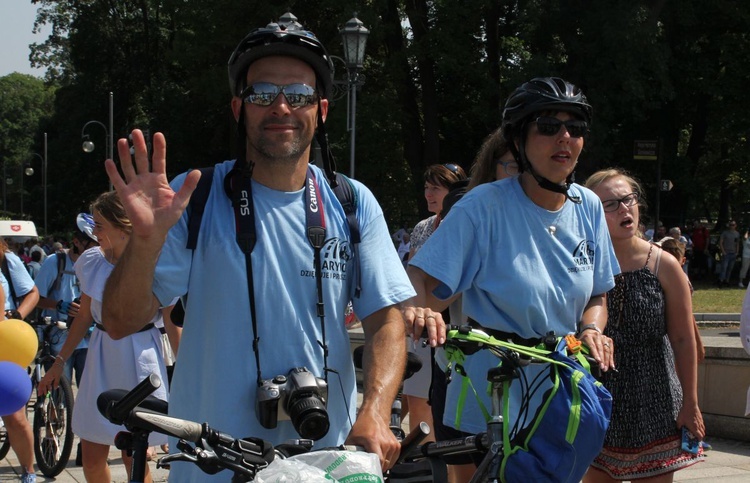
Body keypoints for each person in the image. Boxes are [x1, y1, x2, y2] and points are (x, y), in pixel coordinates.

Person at [101, 12, 415, 481]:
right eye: (263, 94)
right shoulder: (199, 198)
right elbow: (120, 321)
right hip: (211, 465)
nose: (281, 108)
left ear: (321, 110)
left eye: (299, 95)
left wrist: (374, 410)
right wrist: (144, 243)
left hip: (325, 461)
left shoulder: (352, 203)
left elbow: (386, 321)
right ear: (238, 108)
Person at [406, 77, 618, 482]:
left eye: (576, 128)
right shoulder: (483, 206)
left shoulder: (588, 205)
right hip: (491, 394)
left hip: (560, 393)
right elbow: (420, 279)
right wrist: (419, 308)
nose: (565, 138)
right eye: (549, 126)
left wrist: (591, 329)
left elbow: (597, 294)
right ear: (520, 139)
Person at [38, 192, 170, 483]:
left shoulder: (155, 262)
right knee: (92, 453)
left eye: (99, 225)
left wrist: (188, 374)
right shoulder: (91, 261)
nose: (92, 231)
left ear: (123, 226)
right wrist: (59, 363)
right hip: (100, 355)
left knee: (134, 454)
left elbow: (173, 322)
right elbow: (84, 316)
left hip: (139, 355)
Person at [584, 169, 704, 482]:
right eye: (609, 205)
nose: (624, 209)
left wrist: (690, 404)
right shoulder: (583, 263)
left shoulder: (664, 263)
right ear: (591, 214)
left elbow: (683, 339)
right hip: (599, 400)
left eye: (628, 200)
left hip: (657, 403)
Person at [403, 163, 467, 443]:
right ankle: (421, 464)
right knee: (417, 397)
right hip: (420, 325)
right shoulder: (423, 227)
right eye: (426, 187)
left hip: (456, 330)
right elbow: (411, 272)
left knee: (451, 407)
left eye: (435, 188)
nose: (428, 194)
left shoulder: (466, 225)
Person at [34, 213, 99, 387]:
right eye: (92, 245)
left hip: (88, 338)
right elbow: (35, 297)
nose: (96, 250)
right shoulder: (54, 262)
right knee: (59, 388)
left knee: (90, 390)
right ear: (77, 242)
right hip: (59, 336)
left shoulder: (97, 265)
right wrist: (59, 305)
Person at [0, 237, 41, 483]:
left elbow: (32, 293)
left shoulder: (8, 260)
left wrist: (16, 316)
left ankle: (28, 470)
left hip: (6, 345)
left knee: (15, 417)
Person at [718, 220, 740, 287]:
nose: (732, 226)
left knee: (730, 268)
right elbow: (721, 242)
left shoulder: (737, 234)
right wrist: (723, 251)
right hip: (726, 253)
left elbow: (737, 243)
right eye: (730, 225)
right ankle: (721, 281)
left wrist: (737, 252)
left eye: (733, 225)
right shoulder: (725, 233)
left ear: (735, 226)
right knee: (724, 268)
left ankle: (727, 281)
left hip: (733, 253)